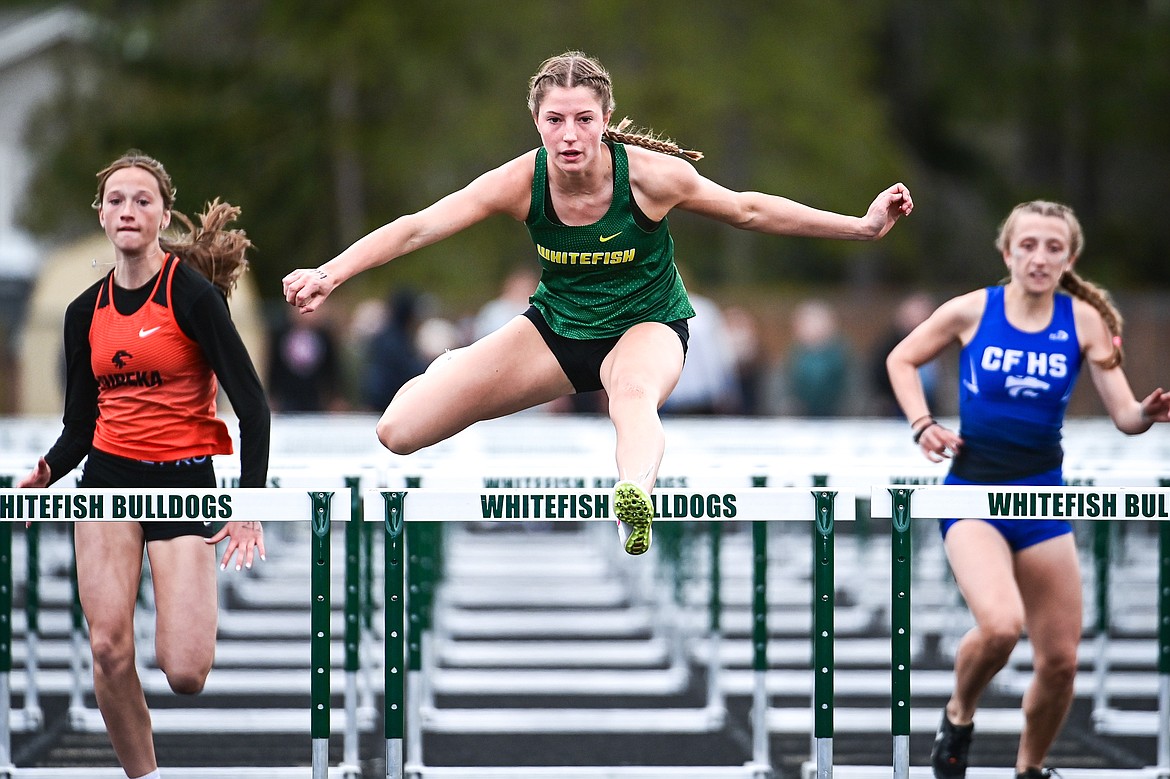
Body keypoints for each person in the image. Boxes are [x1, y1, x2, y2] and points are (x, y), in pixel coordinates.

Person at [284, 50, 913, 555]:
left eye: (583, 118)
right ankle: (456, 369)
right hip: (558, 332)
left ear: (605, 118)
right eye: (555, 120)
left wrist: (858, 226)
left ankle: (632, 498)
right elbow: (419, 226)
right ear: (538, 124)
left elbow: (749, 208)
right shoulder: (517, 181)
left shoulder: (649, 177)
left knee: (630, 395)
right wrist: (330, 274)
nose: (569, 135)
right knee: (397, 432)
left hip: (648, 326)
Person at [885, 200, 1170, 779]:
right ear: (1007, 252)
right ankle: (959, 713)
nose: (1040, 258)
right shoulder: (971, 311)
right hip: (973, 495)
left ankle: (1030, 768)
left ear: (1069, 258)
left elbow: (1123, 415)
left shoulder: (1086, 321)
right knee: (999, 626)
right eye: (1029, 245)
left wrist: (1147, 412)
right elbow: (902, 358)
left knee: (1062, 660)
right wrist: (923, 424)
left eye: (1053, 247)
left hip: (1042, 499)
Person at [19, 150, 270, 779]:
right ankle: (145, 775)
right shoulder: (83, 312)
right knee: (107, 648)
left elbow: (254, 408)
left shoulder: (193, 297)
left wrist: (248, 508)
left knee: (185, 670)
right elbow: (80, 425)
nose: (129, 210)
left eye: (142, 200)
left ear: (162, 214)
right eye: (117, 201)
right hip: (106, 480)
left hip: (185, 483)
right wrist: (46, 471)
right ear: (102, 216)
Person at [869, 291, 939, 416]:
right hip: (896, 409)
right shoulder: (889, 345)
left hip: (930, 409)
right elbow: (878, 375)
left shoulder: (938, 343)